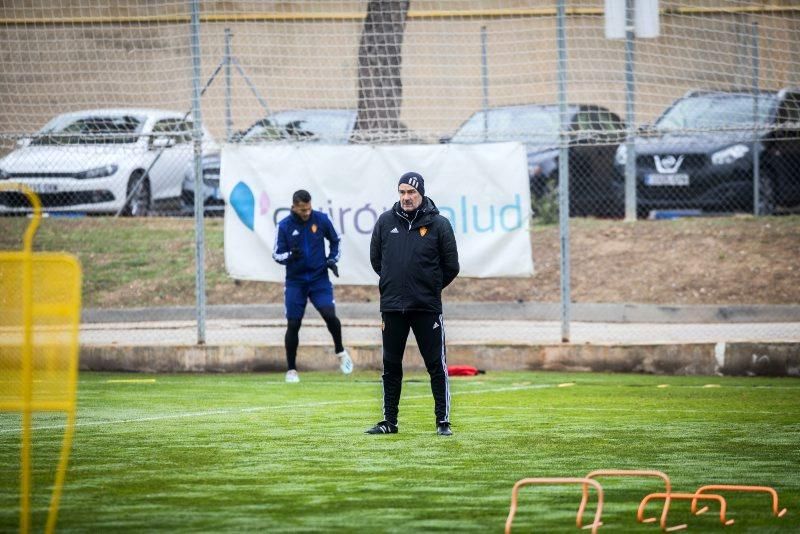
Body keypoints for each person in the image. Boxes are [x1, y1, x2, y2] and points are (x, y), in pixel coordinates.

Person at [366, 171, 460, 436]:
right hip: (393, 307)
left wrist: (428, 287)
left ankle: (443, 421)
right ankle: (389, 421)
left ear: (421, 193)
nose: (406, 197)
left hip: (426, 307)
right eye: (402, 192)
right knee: (391, 366)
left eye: (411, 192)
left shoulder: (439, 224)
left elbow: (451, 266)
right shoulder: (385, 222)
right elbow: (377, 262)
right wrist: (393, 285)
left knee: (435, 365)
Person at [272, 189, 353, 383]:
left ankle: (340, 352)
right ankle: (291, 369)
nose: (306, 213)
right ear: (294, 207)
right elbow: (276, 254)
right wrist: (291, 255)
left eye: (308, 208)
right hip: (295, 282)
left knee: (330, 315)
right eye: (302, 210)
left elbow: (336, 240)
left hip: (319, 280)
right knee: (293, 324)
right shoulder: (284, 226)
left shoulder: (321, 219)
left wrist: (332, 259)